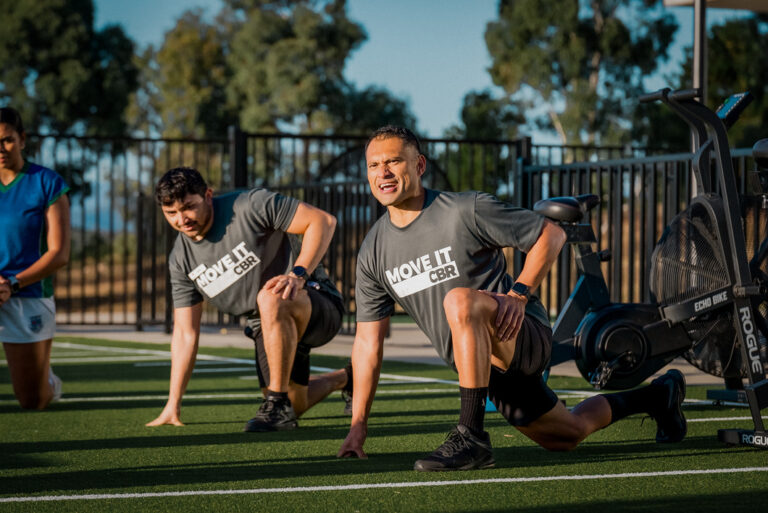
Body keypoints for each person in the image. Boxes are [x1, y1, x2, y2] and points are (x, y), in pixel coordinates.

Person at [337, 126, 687, 471]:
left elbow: (550, 234)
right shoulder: (373, 251)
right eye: (373, 165)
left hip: (518, 333)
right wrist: (358, 426)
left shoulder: (463, 210)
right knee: (567, 434)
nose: (383, 172)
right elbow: (368, 343)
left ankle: (471, 437)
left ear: (419, 165)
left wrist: (519, 294)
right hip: (484, 368)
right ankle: (659, 396)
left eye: (394, 161)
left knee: (459, 301)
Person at [147, 167, 352, 431]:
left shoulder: (249, 204)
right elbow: (185, 333)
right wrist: (173, 403)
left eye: (188, 207)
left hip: (315, 304)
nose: (181, 219)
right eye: (171, 213)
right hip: (265, 326)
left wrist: (297, 274)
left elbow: (323, 221)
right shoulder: (181, 259)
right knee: (296, 404)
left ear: (208, 195)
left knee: (269, 296)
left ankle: (276, 404)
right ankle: (345, 379)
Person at [0, 107, 71, 410]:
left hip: (26, 294)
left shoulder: (48, 183)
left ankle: (48, 381)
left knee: (33, 401)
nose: (1, 149)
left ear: (22, 139)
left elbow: (59, 253)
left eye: (7, 140)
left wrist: (11, 284)